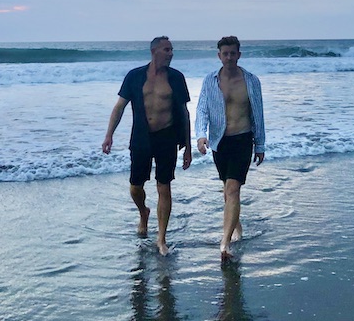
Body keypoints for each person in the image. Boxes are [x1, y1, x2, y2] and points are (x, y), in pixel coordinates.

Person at [102, 36, 192, 256]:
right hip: (142, 138)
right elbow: (119, 107)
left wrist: (188, 146)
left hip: (167, 137)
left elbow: (184, 112)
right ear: (154, 52)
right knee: (135, 186)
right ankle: (144, 212)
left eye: (171, 49)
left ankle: (161, 239)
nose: (171, 53)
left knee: (164, 186)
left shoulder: (176, 78)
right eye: (166, 49)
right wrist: (109, 135)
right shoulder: (134, 76)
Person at [195, 35, 266, 262]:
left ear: (239, 54)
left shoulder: (251, 81)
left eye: (232, 53)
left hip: (243, 139)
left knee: (233, 190)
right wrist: (201, 136)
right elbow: (202, 110)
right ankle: (237, 229)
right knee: (228, 192)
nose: (229, 57)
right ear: (219, 56)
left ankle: (224, 243)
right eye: (225, 53)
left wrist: (260, 144)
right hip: (219, 142)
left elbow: (259, 114)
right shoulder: (210, 81)